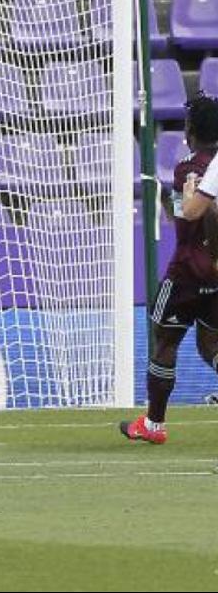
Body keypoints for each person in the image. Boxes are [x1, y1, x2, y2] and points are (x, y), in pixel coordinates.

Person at [125, 95, 218, 444]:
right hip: (215, 276)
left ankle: (153, 425)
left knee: (165, 341)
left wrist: (166, 199)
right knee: (211, 346)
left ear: (191, 129)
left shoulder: (189, 169)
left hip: (186, 273)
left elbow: (196, 214)